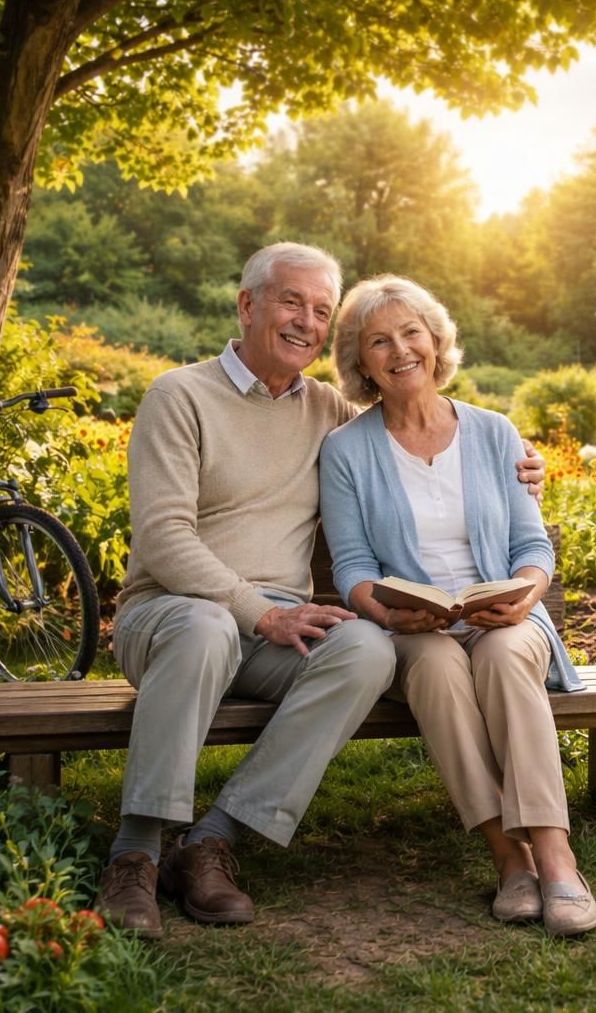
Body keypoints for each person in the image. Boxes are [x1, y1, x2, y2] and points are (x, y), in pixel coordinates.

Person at [97, 244, 544, 939]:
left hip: (280, 627)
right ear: (247, 305)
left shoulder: (330, 411)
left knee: (367, 649)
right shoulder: (178, 395)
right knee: (208, 627)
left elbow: (413, 433)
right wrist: (260, 611)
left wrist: (521, 470)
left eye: (320, 310)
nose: (305, 321)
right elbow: (163, 539)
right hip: (171, 616)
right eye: (290, 302)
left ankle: (213, 841)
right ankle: (136, 853)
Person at [319, 274, 596, 937]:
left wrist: (525, 595)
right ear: (361, 362)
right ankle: (509, 859)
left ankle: (557, 858)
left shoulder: (495, 433)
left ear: (436, 340)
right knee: (439, 668)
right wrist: (390, 615)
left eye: (411, 333)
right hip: (416, 628)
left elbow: (533, 546)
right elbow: (353, 566)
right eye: (378, 341)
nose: (399, 350)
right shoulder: (345, 452)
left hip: (504, 615)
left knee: (504, 656)